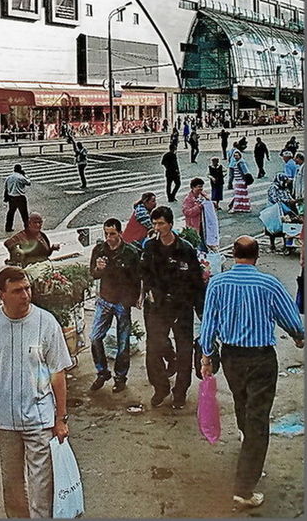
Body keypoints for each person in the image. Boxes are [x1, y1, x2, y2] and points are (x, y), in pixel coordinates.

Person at [199, 236, 304, 511]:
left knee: (242, 401)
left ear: (234, 254)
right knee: (258, 418)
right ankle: (244, 489)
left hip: (231, 357)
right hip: (260, 359)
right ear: (256, 256)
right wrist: (299, 337)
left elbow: (209, 323)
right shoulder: (269, 284)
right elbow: (291, 319)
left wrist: (207, 357)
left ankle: (248, 446)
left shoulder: (218, 283)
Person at [0, 266, 72, 519]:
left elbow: (58, 374)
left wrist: (61, 419)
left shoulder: (46, 323)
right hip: (4, 419)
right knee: (12, 485)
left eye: (27, 288)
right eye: (17, 291)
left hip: (39, 419)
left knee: (41, 487)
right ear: (1, 294)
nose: (25, 295)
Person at [141, 205, 205, 409]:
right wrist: (146, 292)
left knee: (185, 351)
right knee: (153, 349)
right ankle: (160, 387)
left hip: (181, 308)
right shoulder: (150, 247)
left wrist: (201, 310)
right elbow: (144, 273)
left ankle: (180, 391)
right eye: (154, 223)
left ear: (170, 224)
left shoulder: (185, 249)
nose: (157, 227)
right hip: (157, 307)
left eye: (161, 223)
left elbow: (196, 282)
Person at [89, 218, 141, 393]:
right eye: (106, 234)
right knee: (95, 337)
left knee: (123, 342)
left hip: (122, 302)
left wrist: (133, 299)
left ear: (119, 233)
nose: (109, 238)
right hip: (104, 300)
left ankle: (120, 376)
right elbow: (93, 274)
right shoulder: (99, 250)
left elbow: (136, 279)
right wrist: (99, 269)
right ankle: (102, 372)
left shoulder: (131, 252)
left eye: (112, 234)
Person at [3, 163, 31, 233]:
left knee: (11, 213)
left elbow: (6, 188)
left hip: (12, 197)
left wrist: (6, 197)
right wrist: (25, 175)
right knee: (24, 214)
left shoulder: (9, 177)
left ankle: (8, 227)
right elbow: (28, 183)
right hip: (20, 197)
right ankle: (27, 227)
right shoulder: (21, 177)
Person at [228, 149, 251, 213]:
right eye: (234, 156)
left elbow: (245, 172)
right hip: (238, 180)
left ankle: (235, 207)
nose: (235, 157)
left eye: (237, 156)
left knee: (238, 195)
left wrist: (246, 180)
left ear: (240, 156)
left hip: (241, 181)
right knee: (241, 195)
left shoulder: (240, 163)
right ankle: (244, 207)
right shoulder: (238, 162)